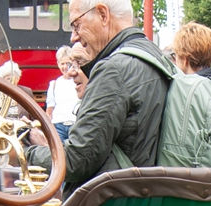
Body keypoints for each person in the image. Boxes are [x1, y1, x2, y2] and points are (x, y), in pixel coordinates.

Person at [24, 0, 170, 193]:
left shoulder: (114, 70)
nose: (74, 37)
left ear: (103, 14)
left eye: (76, 25)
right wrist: (48, 145)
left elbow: (78, 160)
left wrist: (24, 153)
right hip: (143, 199)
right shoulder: (156, 58)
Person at [45, 46, 80, 141]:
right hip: (58, 126)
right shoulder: (54, 84)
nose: (64, 67)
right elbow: (49, 110)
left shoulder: (79, 82)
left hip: (75, 124)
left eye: (67, 63)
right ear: (58, 64)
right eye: (62, 63)